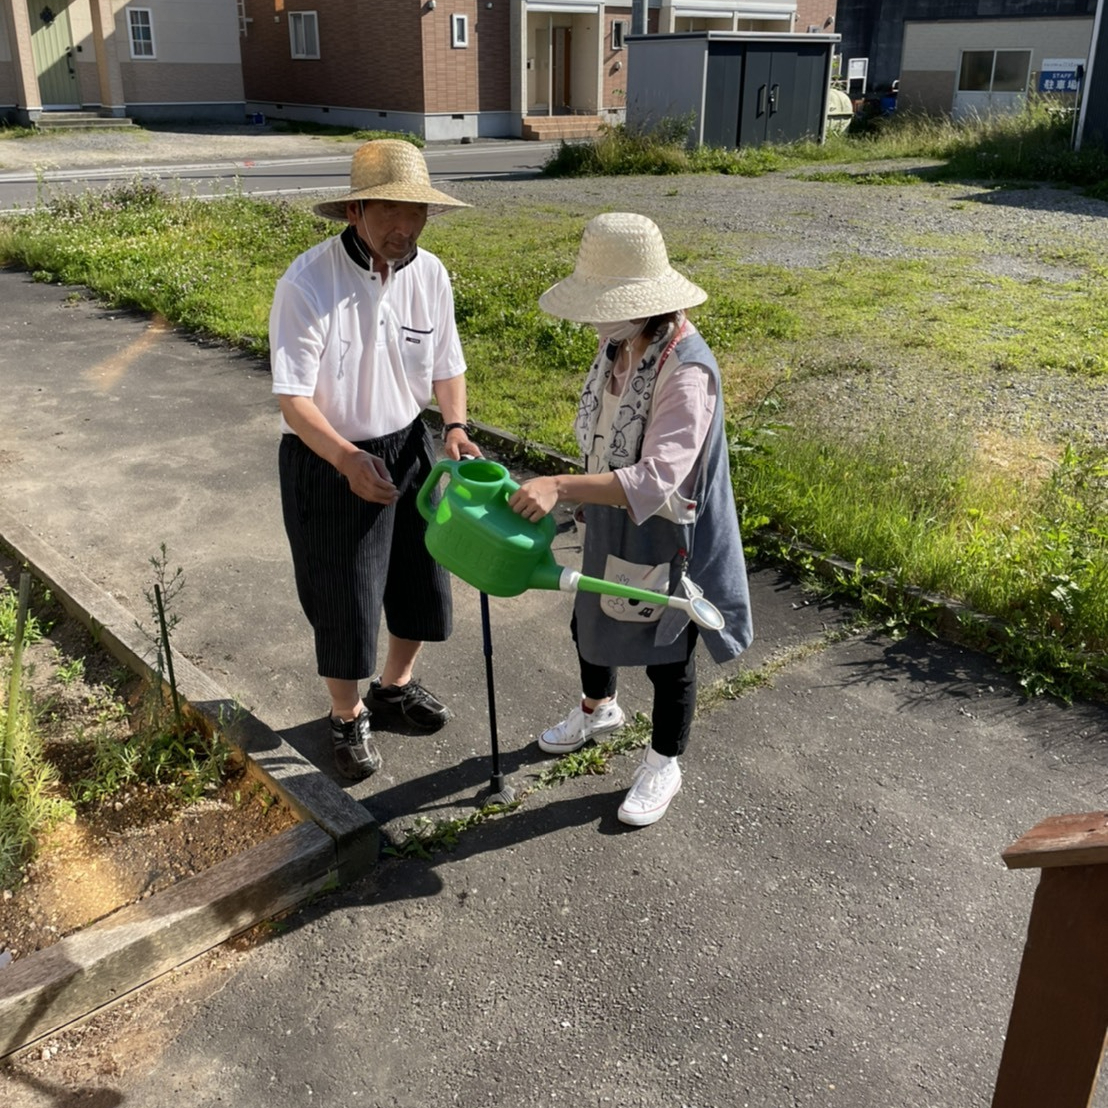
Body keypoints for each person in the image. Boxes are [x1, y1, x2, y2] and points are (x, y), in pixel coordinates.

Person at [508, 212, 753, 826]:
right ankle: (598, 708)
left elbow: (657, 477)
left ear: (645, 304)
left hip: (669, 528)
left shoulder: (687, 370)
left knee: (667, 649)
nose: (595, 318)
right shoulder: (621, 343)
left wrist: (560, 485)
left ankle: (665, 762)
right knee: (589, 615)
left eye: (605, 304)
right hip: (613, 515)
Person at [270, 139, 481, 781]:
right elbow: (293, 400)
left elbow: (448, 365)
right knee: (345, 596)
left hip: (410, 445)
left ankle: (394, 686)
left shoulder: (432, 275)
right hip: (329, 452)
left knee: (421, 578)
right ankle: (346, 714)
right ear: (355, 211)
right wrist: (345, 460)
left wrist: (456, 427)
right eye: (389, 210)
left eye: (415, 212)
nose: (404, 227)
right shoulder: (308, 283)